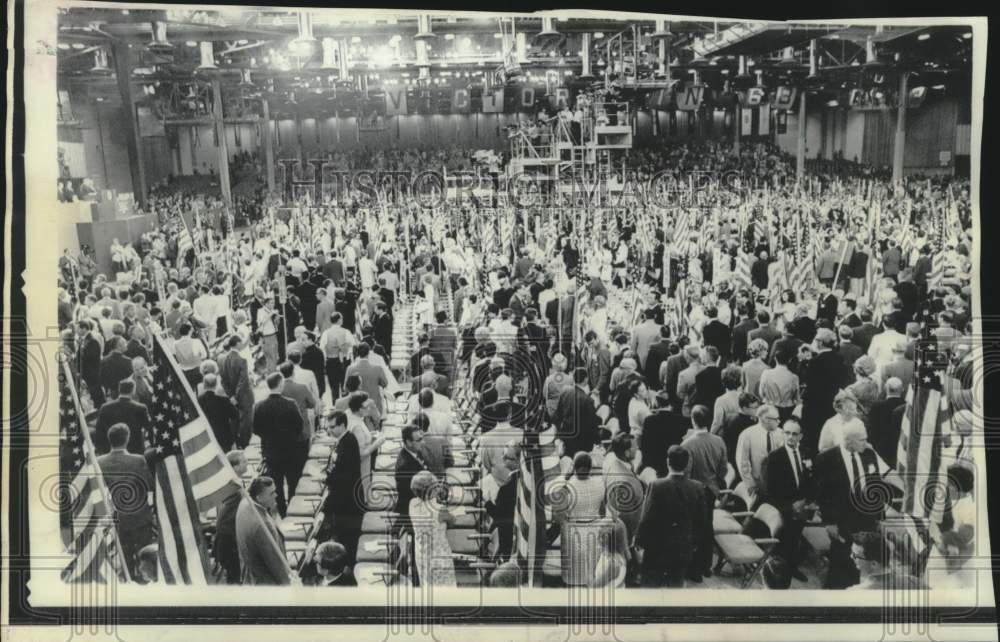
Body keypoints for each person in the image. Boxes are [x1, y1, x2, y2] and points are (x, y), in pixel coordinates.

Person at [814, 422, 889, 589]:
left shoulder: (869, 454)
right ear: (849, 441)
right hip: (842, 520)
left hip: (867, 518)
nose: (866, 443)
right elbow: (823, 494)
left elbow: (876, 486)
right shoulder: (826, 459)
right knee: (841, 560)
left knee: (865, 560)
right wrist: (829, 522)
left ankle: (861, 591)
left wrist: (880, 517)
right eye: (862, 440)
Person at [636, 445, 713, 587]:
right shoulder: (697, 487)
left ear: (667, 462)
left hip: (657, 550)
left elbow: (647, 518)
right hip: (683, 549)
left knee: (650, 589)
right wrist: (693, 544)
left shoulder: (656, 485)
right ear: (688, 463)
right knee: (675, 588)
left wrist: (639, 543)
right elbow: (702, 521)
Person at [96, 424, 154, 578]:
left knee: (125, 559)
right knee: (145, 556)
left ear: (110, 440)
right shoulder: (139, 460)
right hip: (140, 516)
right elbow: (149, 486)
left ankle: (129, 581)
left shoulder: (99, 462)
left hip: (117, 517)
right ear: (127, 439)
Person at [762, 419, 812, 582]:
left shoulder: (806, 453)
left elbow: (814, 480)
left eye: (794, 434)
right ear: (783, 434)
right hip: (783, 508)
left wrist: (806, 501)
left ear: (801, 436)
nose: (790, 437)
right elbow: (769, 491)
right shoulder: (774, 458)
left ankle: (792, 568)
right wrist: (789, 507)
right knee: (783, 542)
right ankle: (779, 575)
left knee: (795, 539)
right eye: (787, 433)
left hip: (803, 507)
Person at [251, 372, 305, 518]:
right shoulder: (290, 404)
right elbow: (299, 426)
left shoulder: (259, 406)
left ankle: (281, 510)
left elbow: (256, 429)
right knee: (293, 481)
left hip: (271, 451)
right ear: (280, 384)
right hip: (291, 450)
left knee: (276, 485)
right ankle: (293, 508)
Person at [553, 452, 607, 586]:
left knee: (575, 575)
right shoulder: (600, 484)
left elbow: (558, 516)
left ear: (574, 467)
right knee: (594, 572)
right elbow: (602, 510)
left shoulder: (566, 487)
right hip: (595, 530)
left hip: (574, 532)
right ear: (590, 467)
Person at [321, 409, 365, 567]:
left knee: (348, 537)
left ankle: (347, 567)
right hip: (345, 498)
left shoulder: (348, 442)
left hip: (348, 501)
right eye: (328, 427)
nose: (329, 431)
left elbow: (343, 476)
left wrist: (327, 478)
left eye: (332, 427)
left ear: (342, 425)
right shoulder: (344, 439)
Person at [236, 476, 293, 585]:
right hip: (266, 583)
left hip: (250, 577)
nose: (276, 495)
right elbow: (276, 564)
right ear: (259, 497)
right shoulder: (263, 525)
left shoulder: (244, 503)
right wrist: (289, 585)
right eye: (271, 493)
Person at [409, 470, 457, 587]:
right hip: (440, 559)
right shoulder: (440, 509)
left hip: (422, 555)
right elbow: (453, 521)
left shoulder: (412, 504)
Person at [214, 450, 250, 584]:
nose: (247, 463)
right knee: (234, 577)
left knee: (235, 576)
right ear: (234, 467)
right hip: (229, 538)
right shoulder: (233, 487)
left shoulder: (234, 483)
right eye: (244, 461)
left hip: (230, 534)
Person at [735, 404, 785, 497]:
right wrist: (750, 485)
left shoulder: (782, 433)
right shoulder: (747, 434)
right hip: (757, 484)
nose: (779, 421)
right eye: (776, 419)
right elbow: (742, 462)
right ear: (765, 419)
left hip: (778, 484)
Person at [847, 531, 923, 590]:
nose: (851, 556)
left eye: (855, 555)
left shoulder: (854, 593)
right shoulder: (914, 582)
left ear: (874, 564)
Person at [551, 368, 600, 459]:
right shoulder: (588, 400)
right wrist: (597, 441)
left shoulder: (565, 391)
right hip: (581, 440)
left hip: (566, 434)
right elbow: (592, 424)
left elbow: (558, 414)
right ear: (586, 379)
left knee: (567, 461)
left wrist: (559, 433)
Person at [681, 405, 728, 498]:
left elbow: (686, 473)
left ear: (693, 420)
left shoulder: (686, 444)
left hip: (694, 494)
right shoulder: (719, 441)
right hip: (714, 491)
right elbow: (723, 469)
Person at [94, 380, 150, 455]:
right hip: (136, 449)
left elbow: (99, 430)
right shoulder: (141, 408)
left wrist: (100, 449)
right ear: (133, 390)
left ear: (119, 390)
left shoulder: (105, 407)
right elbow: (149, 427)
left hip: (111, 449)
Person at [219, 334, 254, 449]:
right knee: (246, 421)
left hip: (233, 397)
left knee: (235, 420)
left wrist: (231, 396)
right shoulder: (241, 360)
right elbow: (243, 381)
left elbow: (223, 381)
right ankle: (244, 444)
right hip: (243, 396)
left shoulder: (224, 359)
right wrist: (237, 396)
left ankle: (236, 441)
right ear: (238, 343)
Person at [394, 425, 429, 523]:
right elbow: (411, 494)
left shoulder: (414, 451)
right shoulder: (404, 466)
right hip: (411, 511)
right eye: (419, 440)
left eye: (422, 438)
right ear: (408, 442)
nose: (423, 442)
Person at [197, 373, 239, 453]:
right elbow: (235, 415)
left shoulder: (199, 401)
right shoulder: (223, 400)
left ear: (204, 384)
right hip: (224, 436)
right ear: (216, 384)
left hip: (206, 436)